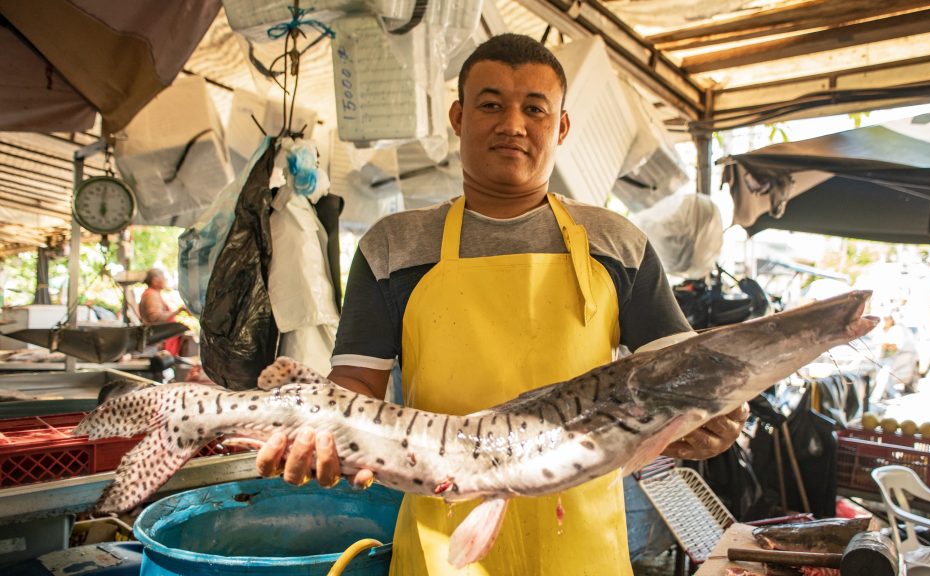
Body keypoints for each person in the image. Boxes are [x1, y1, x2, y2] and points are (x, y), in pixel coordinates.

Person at [256, 33, 747, 575]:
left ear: (560, 127)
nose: (513, 125)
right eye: (491, 105)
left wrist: (710, 414)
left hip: (582, 548)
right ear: (459, 118)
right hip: (444, 545)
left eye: (534, 109)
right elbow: (356, 388)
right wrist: (319, 428)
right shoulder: (393, 246)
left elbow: (682, 377)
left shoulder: (618, 244)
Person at [139, 268, 186, 356]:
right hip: (156, 342)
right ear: (155, 280)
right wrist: (178, 311)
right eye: (164, 277)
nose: (166, 280)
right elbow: (156, 318)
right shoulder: (151, 295)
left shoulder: (154, 293)